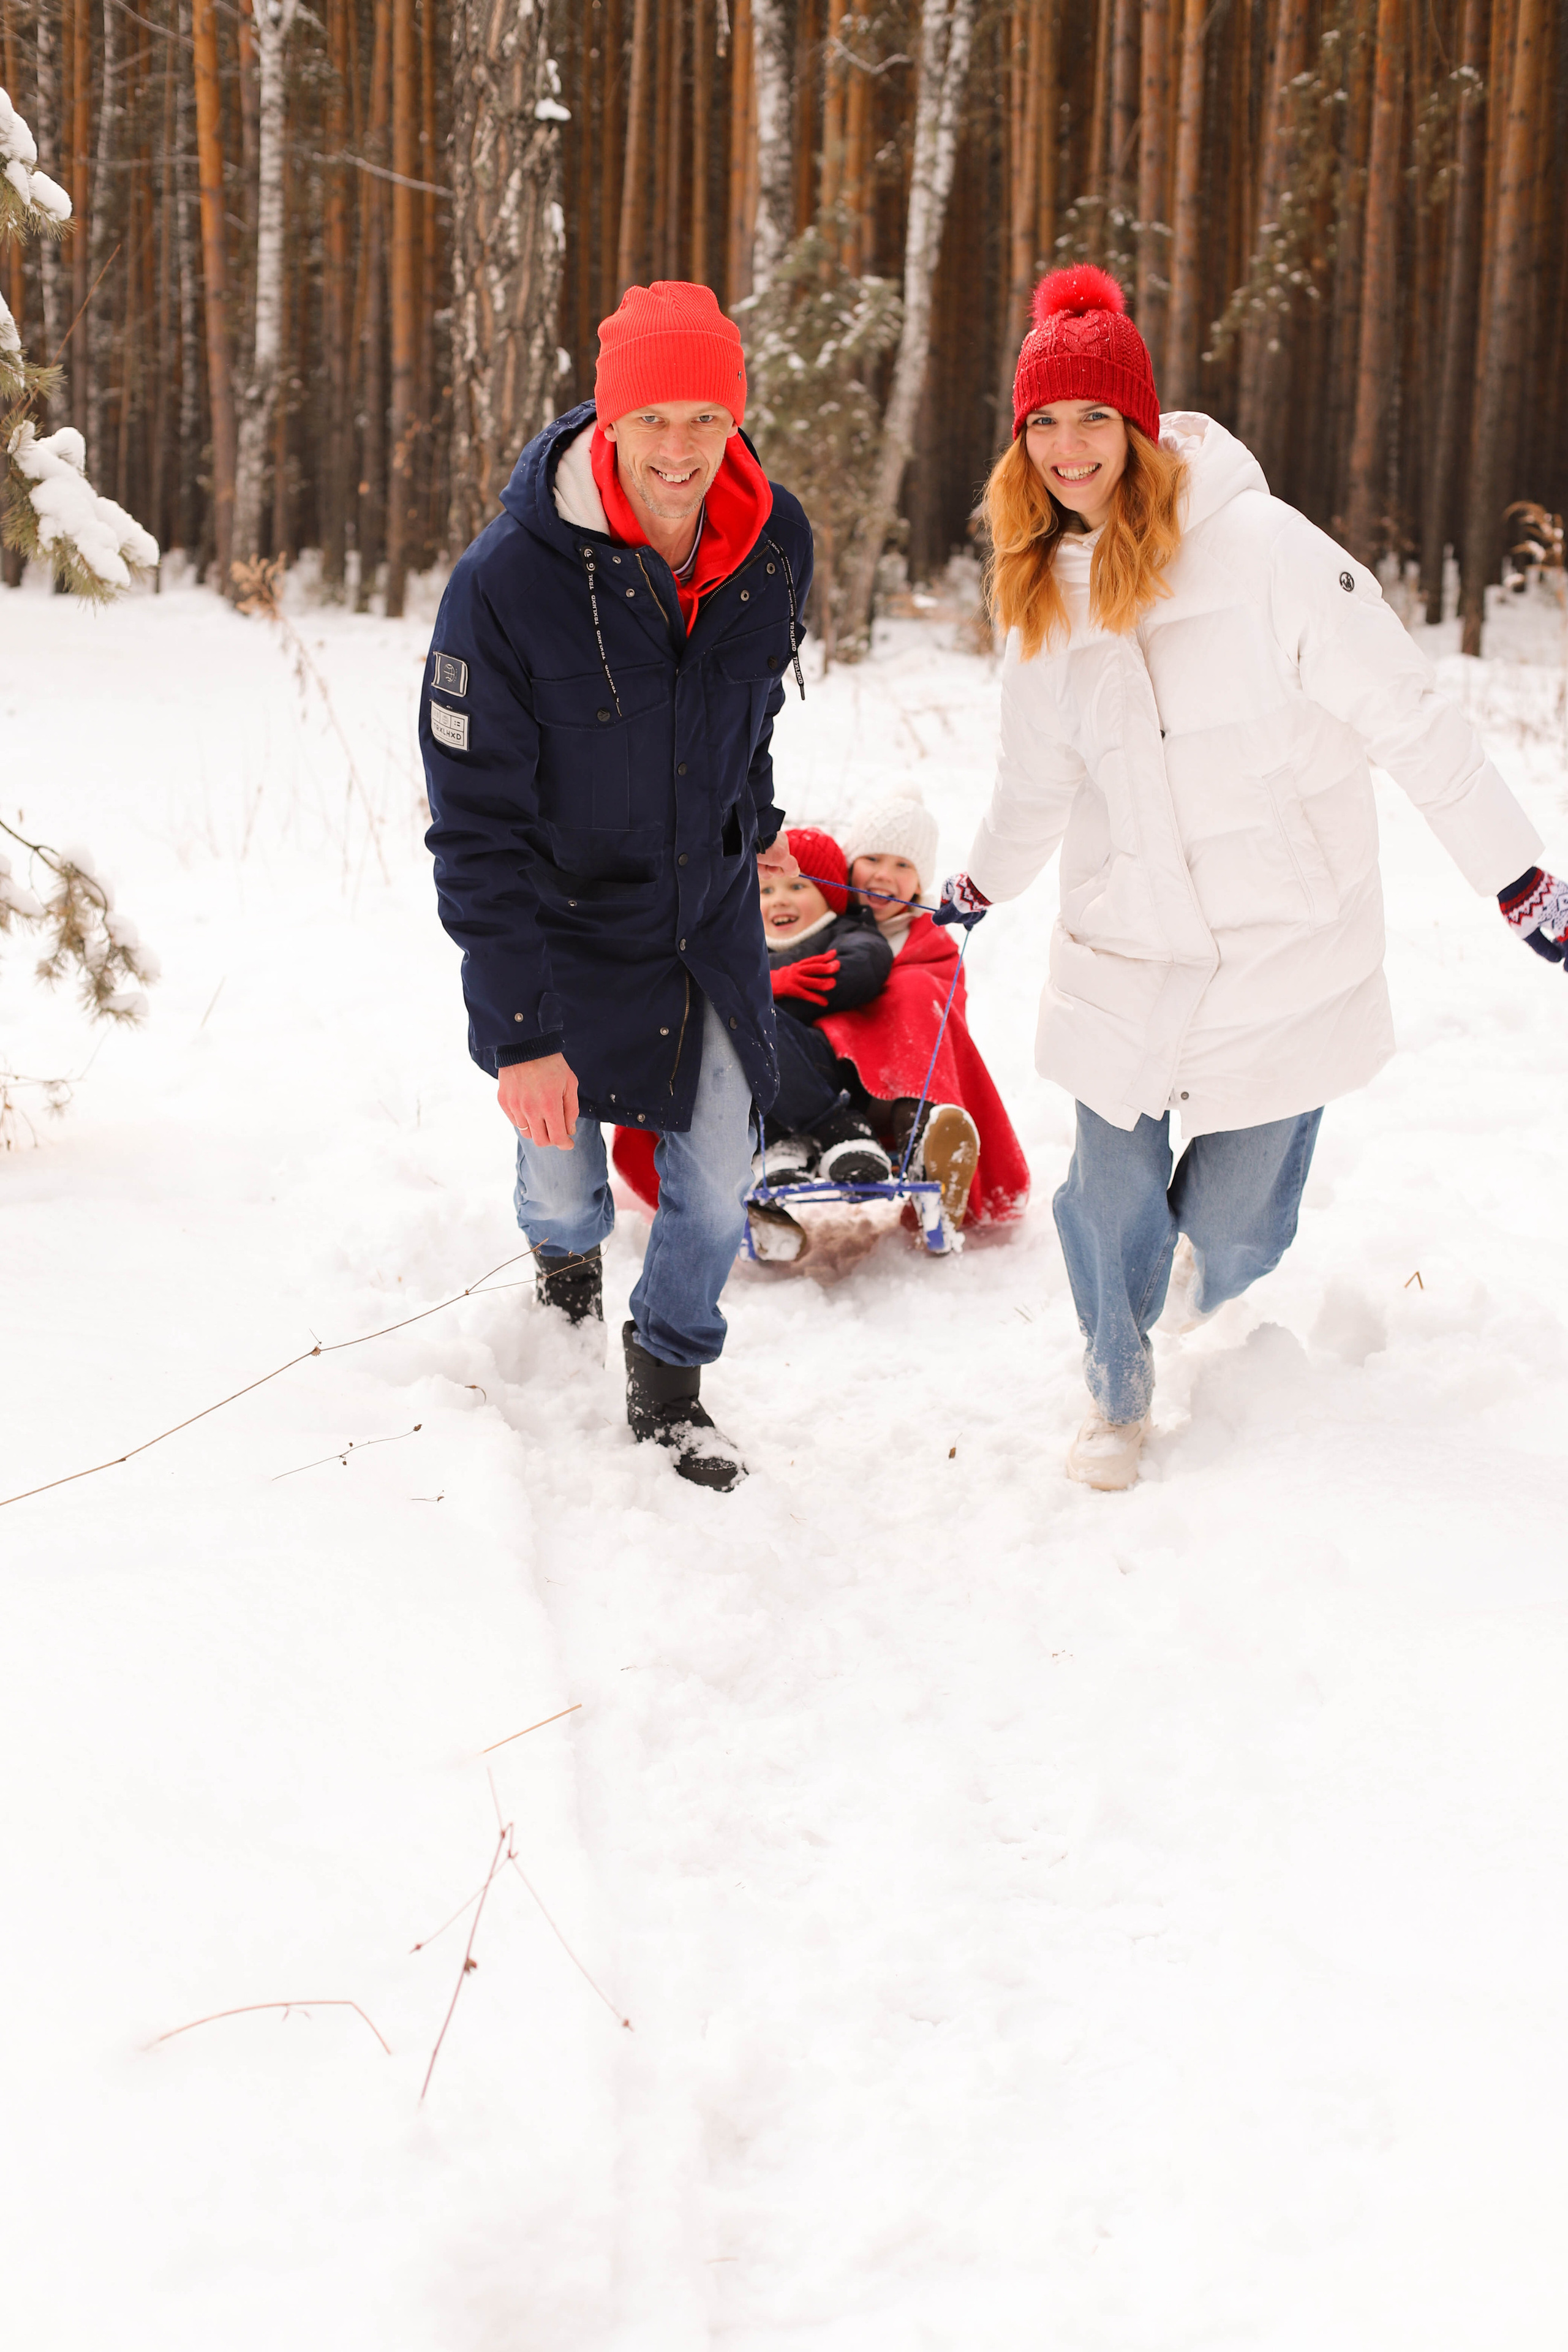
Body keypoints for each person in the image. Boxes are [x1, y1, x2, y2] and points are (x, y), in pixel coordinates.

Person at [935, 262, 1558, 1491]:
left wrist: (1514, 875)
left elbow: (1410, 718)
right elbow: (1034, 780)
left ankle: (1192, 1274)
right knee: (1105, 1189)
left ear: (1137, 421)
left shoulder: (1266, 552)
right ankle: (1113, 1395)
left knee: (1231, 1229)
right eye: (1042, 424)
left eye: (1091, 420)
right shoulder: (1033, 586)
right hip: (1124, 936)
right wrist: (979, 884)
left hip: (1284, 936)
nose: (1068, 449)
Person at [420, 280, 813, 1493]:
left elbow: (742, 714)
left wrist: (754, 827)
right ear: (607, 421)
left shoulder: (773, 542)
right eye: (654, 420)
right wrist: (521, 1036)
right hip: (562, 928)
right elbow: (474, 829)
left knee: (716, 1169)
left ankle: (670, 1373)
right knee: (561, 1172)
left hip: (704, 925)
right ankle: (562, 1256)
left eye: (706, 418)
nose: (681, 450)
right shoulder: (507, 583)